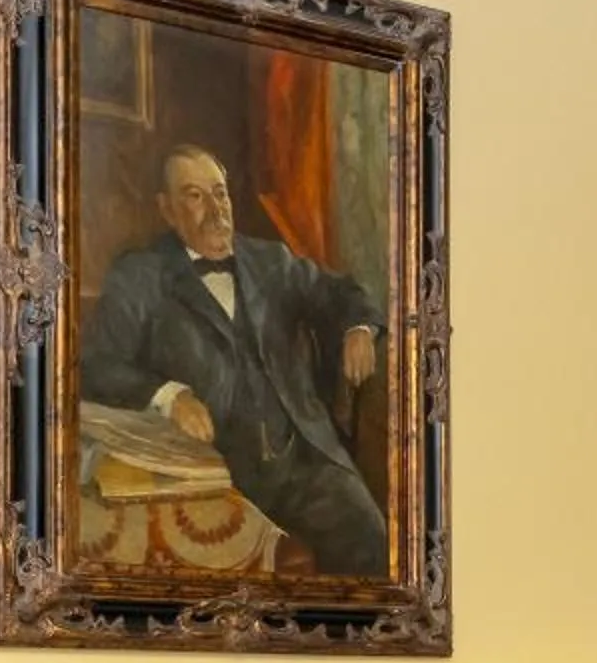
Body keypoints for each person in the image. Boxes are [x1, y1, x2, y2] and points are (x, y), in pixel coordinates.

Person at [81, 145, 391, 577]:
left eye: (220, 193)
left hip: (304, 460)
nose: (215, 210)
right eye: (194, 196)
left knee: (373, 545)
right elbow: (97, 366)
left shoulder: (271, 261)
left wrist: (359, 328)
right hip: (215, 470)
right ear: (167, 210)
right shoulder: (139, 276)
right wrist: (171, 396)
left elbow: (342, 293)